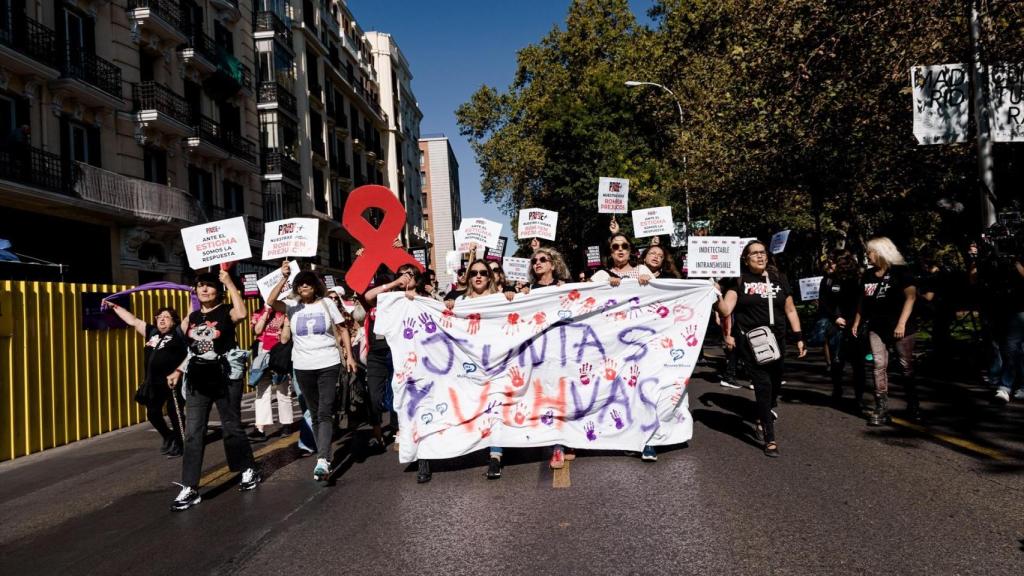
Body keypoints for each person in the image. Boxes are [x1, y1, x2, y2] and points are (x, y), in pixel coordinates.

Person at [167, 270, 259, 510]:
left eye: (209, 286)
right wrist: (178, 371)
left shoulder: (226, 310)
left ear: (218, 291)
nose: (204, 290)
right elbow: (192, 349)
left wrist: (228, 280)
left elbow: (241, 313)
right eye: (200, 286)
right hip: (198, 379)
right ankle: (190, 487)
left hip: (225, 377)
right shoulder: (194, 316)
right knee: (193, 433)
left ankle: (247, 468)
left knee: (231, 427)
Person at [716, 240, 807, 457]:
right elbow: (726, 308)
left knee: (775, 386)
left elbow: (791, 309)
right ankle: (770, 437)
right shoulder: (739, 281)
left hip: (778, 341)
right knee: (763, 386)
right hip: (753, 344)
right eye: (754, 253)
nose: (759, 256)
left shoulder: (779, 278)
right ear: (745, 259)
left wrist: (799, 337)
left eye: (762, 252)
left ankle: (762, 415)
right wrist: (715, 295)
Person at [267, 265, 356, 481]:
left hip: (328, 363)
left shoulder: (326, 304)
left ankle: (323, 459)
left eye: (308, 282)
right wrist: (284, 278)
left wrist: (349, 357)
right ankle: (324, 454)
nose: (304, 285)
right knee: (315, 413)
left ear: (315, 286)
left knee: (325, 412)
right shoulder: (292, 306)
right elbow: (270, 302)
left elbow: (343, 328)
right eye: (300, 283)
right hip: (302, 365)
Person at [447, 259, 516, 479]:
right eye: (474, 273)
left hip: (497, 364)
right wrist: (448, 305)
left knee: (495, 408)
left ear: (490, 277)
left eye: (483, 273)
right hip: (469, 367)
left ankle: (495, 456)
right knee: (474, 409)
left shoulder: (500, 299)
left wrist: (511, 299)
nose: (478, 276)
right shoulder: (460, 302)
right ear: (468, 277)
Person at [363, 264, 428, 481]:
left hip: (415, 360)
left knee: (414, 404)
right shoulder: (389, 299)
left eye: (409, 275)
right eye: (401, 274)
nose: (404, 278)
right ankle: (391, 433)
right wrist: (394, 285)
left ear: (417, 279)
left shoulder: (423, 299)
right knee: (385, 399)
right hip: (387, 357)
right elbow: (368, 296)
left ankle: (421, 456)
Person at [852, 237, 919, 425]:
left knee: (906, 366)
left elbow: (911, 297)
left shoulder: (901, 271)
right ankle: (881, 407)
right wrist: (857, 321)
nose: (867, 255)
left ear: (881, 252)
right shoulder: (868, 275)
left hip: (901, 327)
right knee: (878, 365)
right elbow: (862, 301)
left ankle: (913, 405)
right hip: (876, 326)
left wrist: (901, 323)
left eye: (870, 251)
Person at [107, 302, 187, 457]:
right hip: (153, 382)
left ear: (174, 321)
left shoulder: (178, 333)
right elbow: (133, 321)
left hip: (173, 381)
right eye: (159, 317)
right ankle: (168, 436)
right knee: (152, 413)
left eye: (166, 317)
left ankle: (181, 443)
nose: (162, 320)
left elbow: (189, 317)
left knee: (174, 412)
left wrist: (193, 296)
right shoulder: (152, 333)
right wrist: (115, 307)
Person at [819, 250, 866, 407]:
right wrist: (835, 317)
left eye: (832, 261)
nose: (828, 264)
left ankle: (859, 396)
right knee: (837, 361)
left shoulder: (858, 279)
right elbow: (824, 301)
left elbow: (862, 301)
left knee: (858, 362)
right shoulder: (827, 280)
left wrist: (856, 322)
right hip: (835, 324)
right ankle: (837, 389)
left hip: (855, 324)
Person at [247, 301, 294, 442]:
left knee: (283, 389)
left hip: (280, 353)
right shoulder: (259, 312)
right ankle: (260, 428)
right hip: (262, 353)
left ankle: (286, 424)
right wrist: (266, 312)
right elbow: (257, 331)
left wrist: (286, 322)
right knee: (262, 390)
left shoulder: (287, 311)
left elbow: (285, 339)